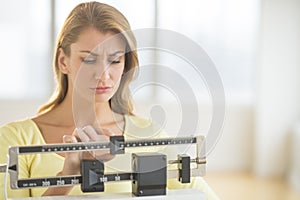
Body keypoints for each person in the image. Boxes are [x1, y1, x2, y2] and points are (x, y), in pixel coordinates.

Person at [0, 1, 219, 199]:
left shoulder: (148, 134)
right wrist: (68, 176)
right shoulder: (15, 139)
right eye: (89, 59)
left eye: (115, 61)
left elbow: (205, 196)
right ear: (63, 61)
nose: (103, 75)